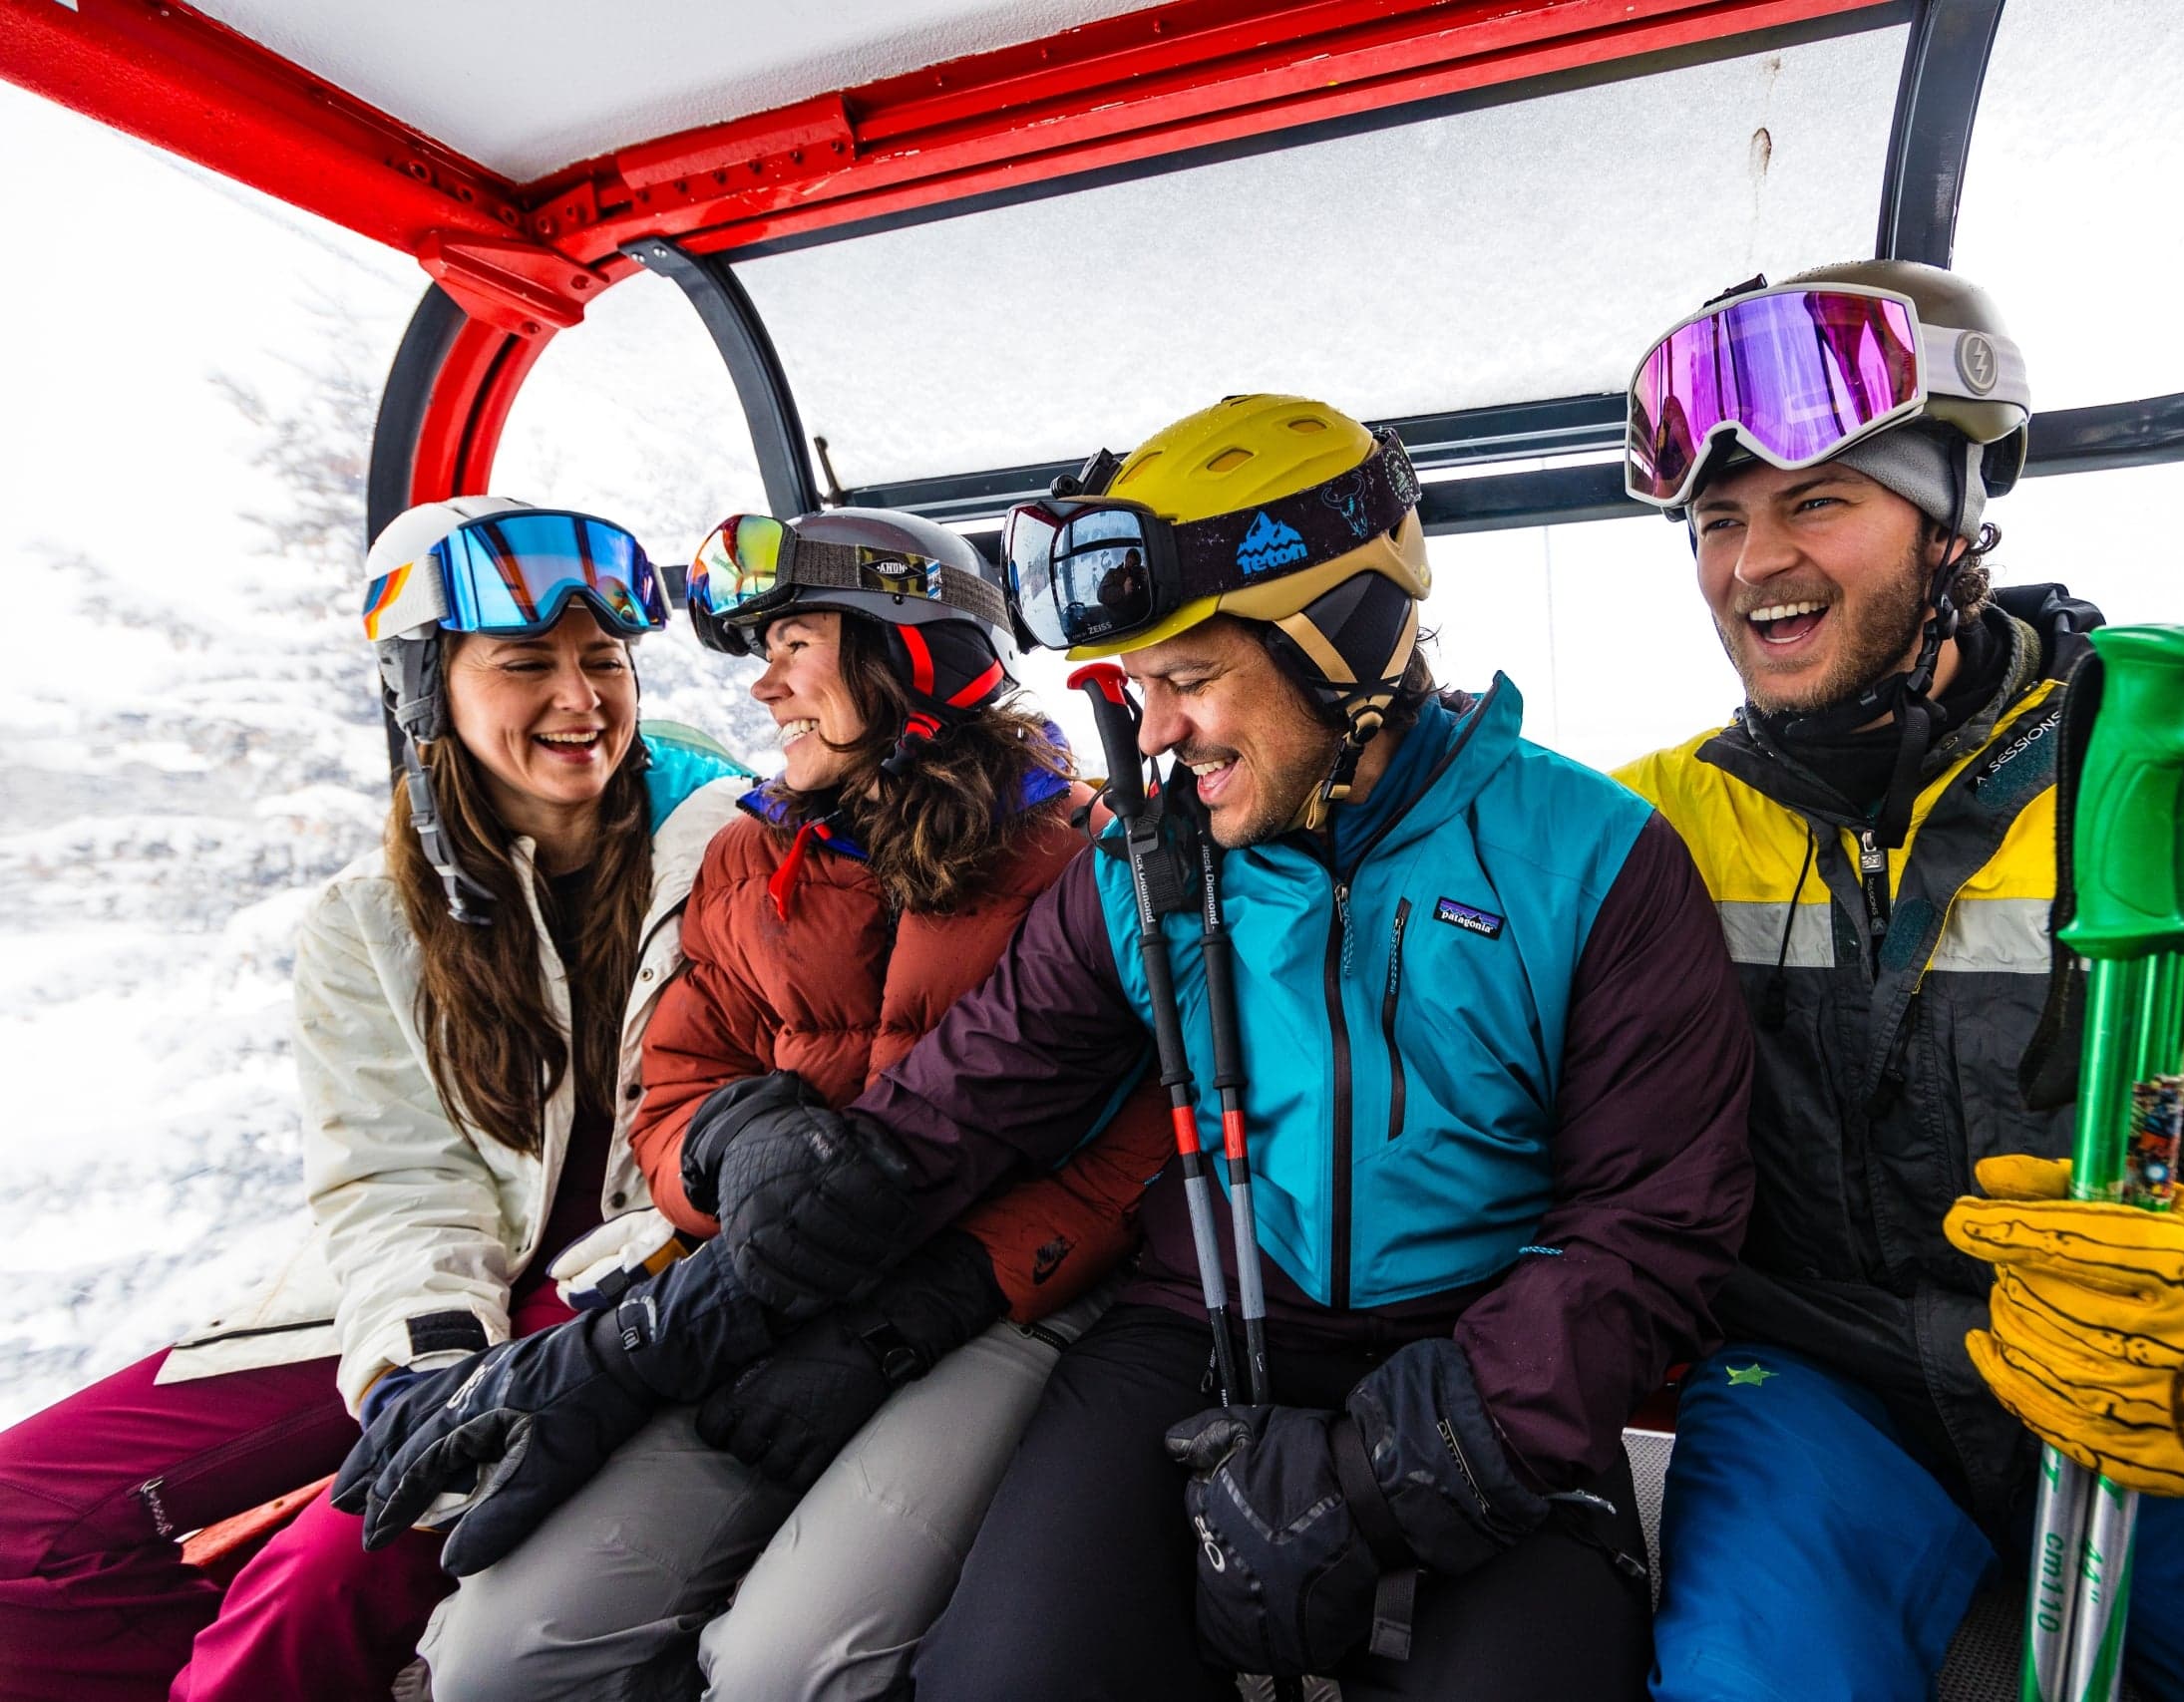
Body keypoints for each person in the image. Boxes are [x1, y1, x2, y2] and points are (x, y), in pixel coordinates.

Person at [660, 393, 1756, 1701]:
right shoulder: (1142, 869)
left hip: (1490, 1351)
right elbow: (963, 1111)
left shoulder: (1593, 855)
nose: (1158, 733)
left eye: (1187, 680)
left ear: (1345, 638)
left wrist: (1391, 1466)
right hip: (1196, 1330)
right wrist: (631, 1336)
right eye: (1138, 690)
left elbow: (1648, 1222)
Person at [1614, 260, 2184, 1700]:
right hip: (1825, 1397)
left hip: (2167, 1401)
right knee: (1748, 1674)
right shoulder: (1654, 834)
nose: (1754, 564)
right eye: (1718, 520)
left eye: (1817, 500)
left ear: (1951, 522)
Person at [409, 507, 1175, 1702]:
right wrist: (732, 1146)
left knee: (789, 1668)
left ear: (905, 649)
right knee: (492, 1661)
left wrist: (918, 1312)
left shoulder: (1084, 858)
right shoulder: (745, 856)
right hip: (766, 1285)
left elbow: (1147, 1149)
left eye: (793, 645)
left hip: (1000, 1301)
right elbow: (670, 1090)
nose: (762, 687)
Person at [0, 499, 750, 1700]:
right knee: (19, 1526)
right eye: (525, 665)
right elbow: (402, 1177)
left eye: (603, 661)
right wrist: (423, 1368)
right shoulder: (373, 916)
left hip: (627, 1292)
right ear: (423, 689)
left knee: (313, 1586)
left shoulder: (725, 852)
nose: (581, 700)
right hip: (423, 1299)